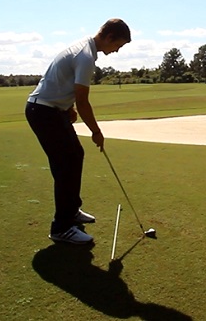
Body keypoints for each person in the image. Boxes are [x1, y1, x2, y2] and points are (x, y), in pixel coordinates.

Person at [26, 18, 131, 245]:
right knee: (66, 165)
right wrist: (96, 131)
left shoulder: (85, 49)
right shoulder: (85, 56)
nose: (117, 51)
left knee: (75, 156)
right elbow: (83, 101)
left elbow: (63, 83)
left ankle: (71, 211)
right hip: (44, 112)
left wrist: (68, 108)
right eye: (118, 46)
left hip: (52, 111)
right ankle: (61, 227)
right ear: (109, 37)